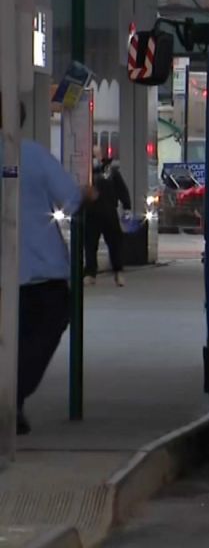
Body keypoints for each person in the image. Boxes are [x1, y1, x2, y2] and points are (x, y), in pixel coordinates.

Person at [0, 98, 96, 435]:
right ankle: (11, 399)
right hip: (41, 273)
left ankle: (14, 403)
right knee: (40, 335)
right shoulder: (33, 155)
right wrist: (86, 194)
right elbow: (69, 198)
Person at [85, 152, 131, 287]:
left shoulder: (112, 172)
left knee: (114, 243)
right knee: (90, 244)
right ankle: (90, 273)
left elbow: (122, 189)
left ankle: (118, 271)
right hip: (90, 212)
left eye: (96, 155)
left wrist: (126, 206)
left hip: (109, 212)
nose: (95, 158)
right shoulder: (85, 173)